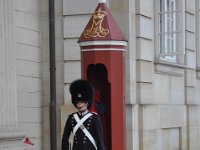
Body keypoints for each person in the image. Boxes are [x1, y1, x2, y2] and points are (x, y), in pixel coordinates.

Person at [62, 79, 105, 150]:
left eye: (82, 102)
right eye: (78, 102)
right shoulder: (71, 118)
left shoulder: (94, 118)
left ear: (87, 102)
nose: (79, 104)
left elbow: (100, 140)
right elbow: (65, 139)